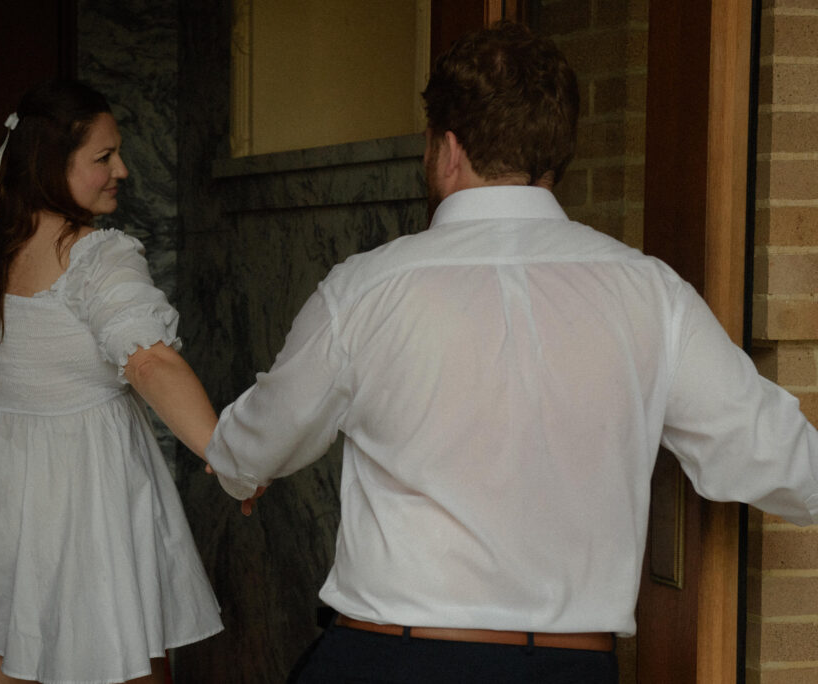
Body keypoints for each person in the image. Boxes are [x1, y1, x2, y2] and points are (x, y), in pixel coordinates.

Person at [203, 21, 818, 684]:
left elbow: (257, 442)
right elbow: (784, 459)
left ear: (447, 149)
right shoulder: (651, 294)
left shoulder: (365, 288)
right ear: (557, 155)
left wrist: (241, 468)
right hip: (567, 669)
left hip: (389, 661)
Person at [0, 79, 222, 684]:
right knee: (117, 653)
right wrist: (231, 455)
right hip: (86, 493)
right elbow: (149, 361)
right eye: (103, 157)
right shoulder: (97, 255)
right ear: (50, 164)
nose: (121, 169)